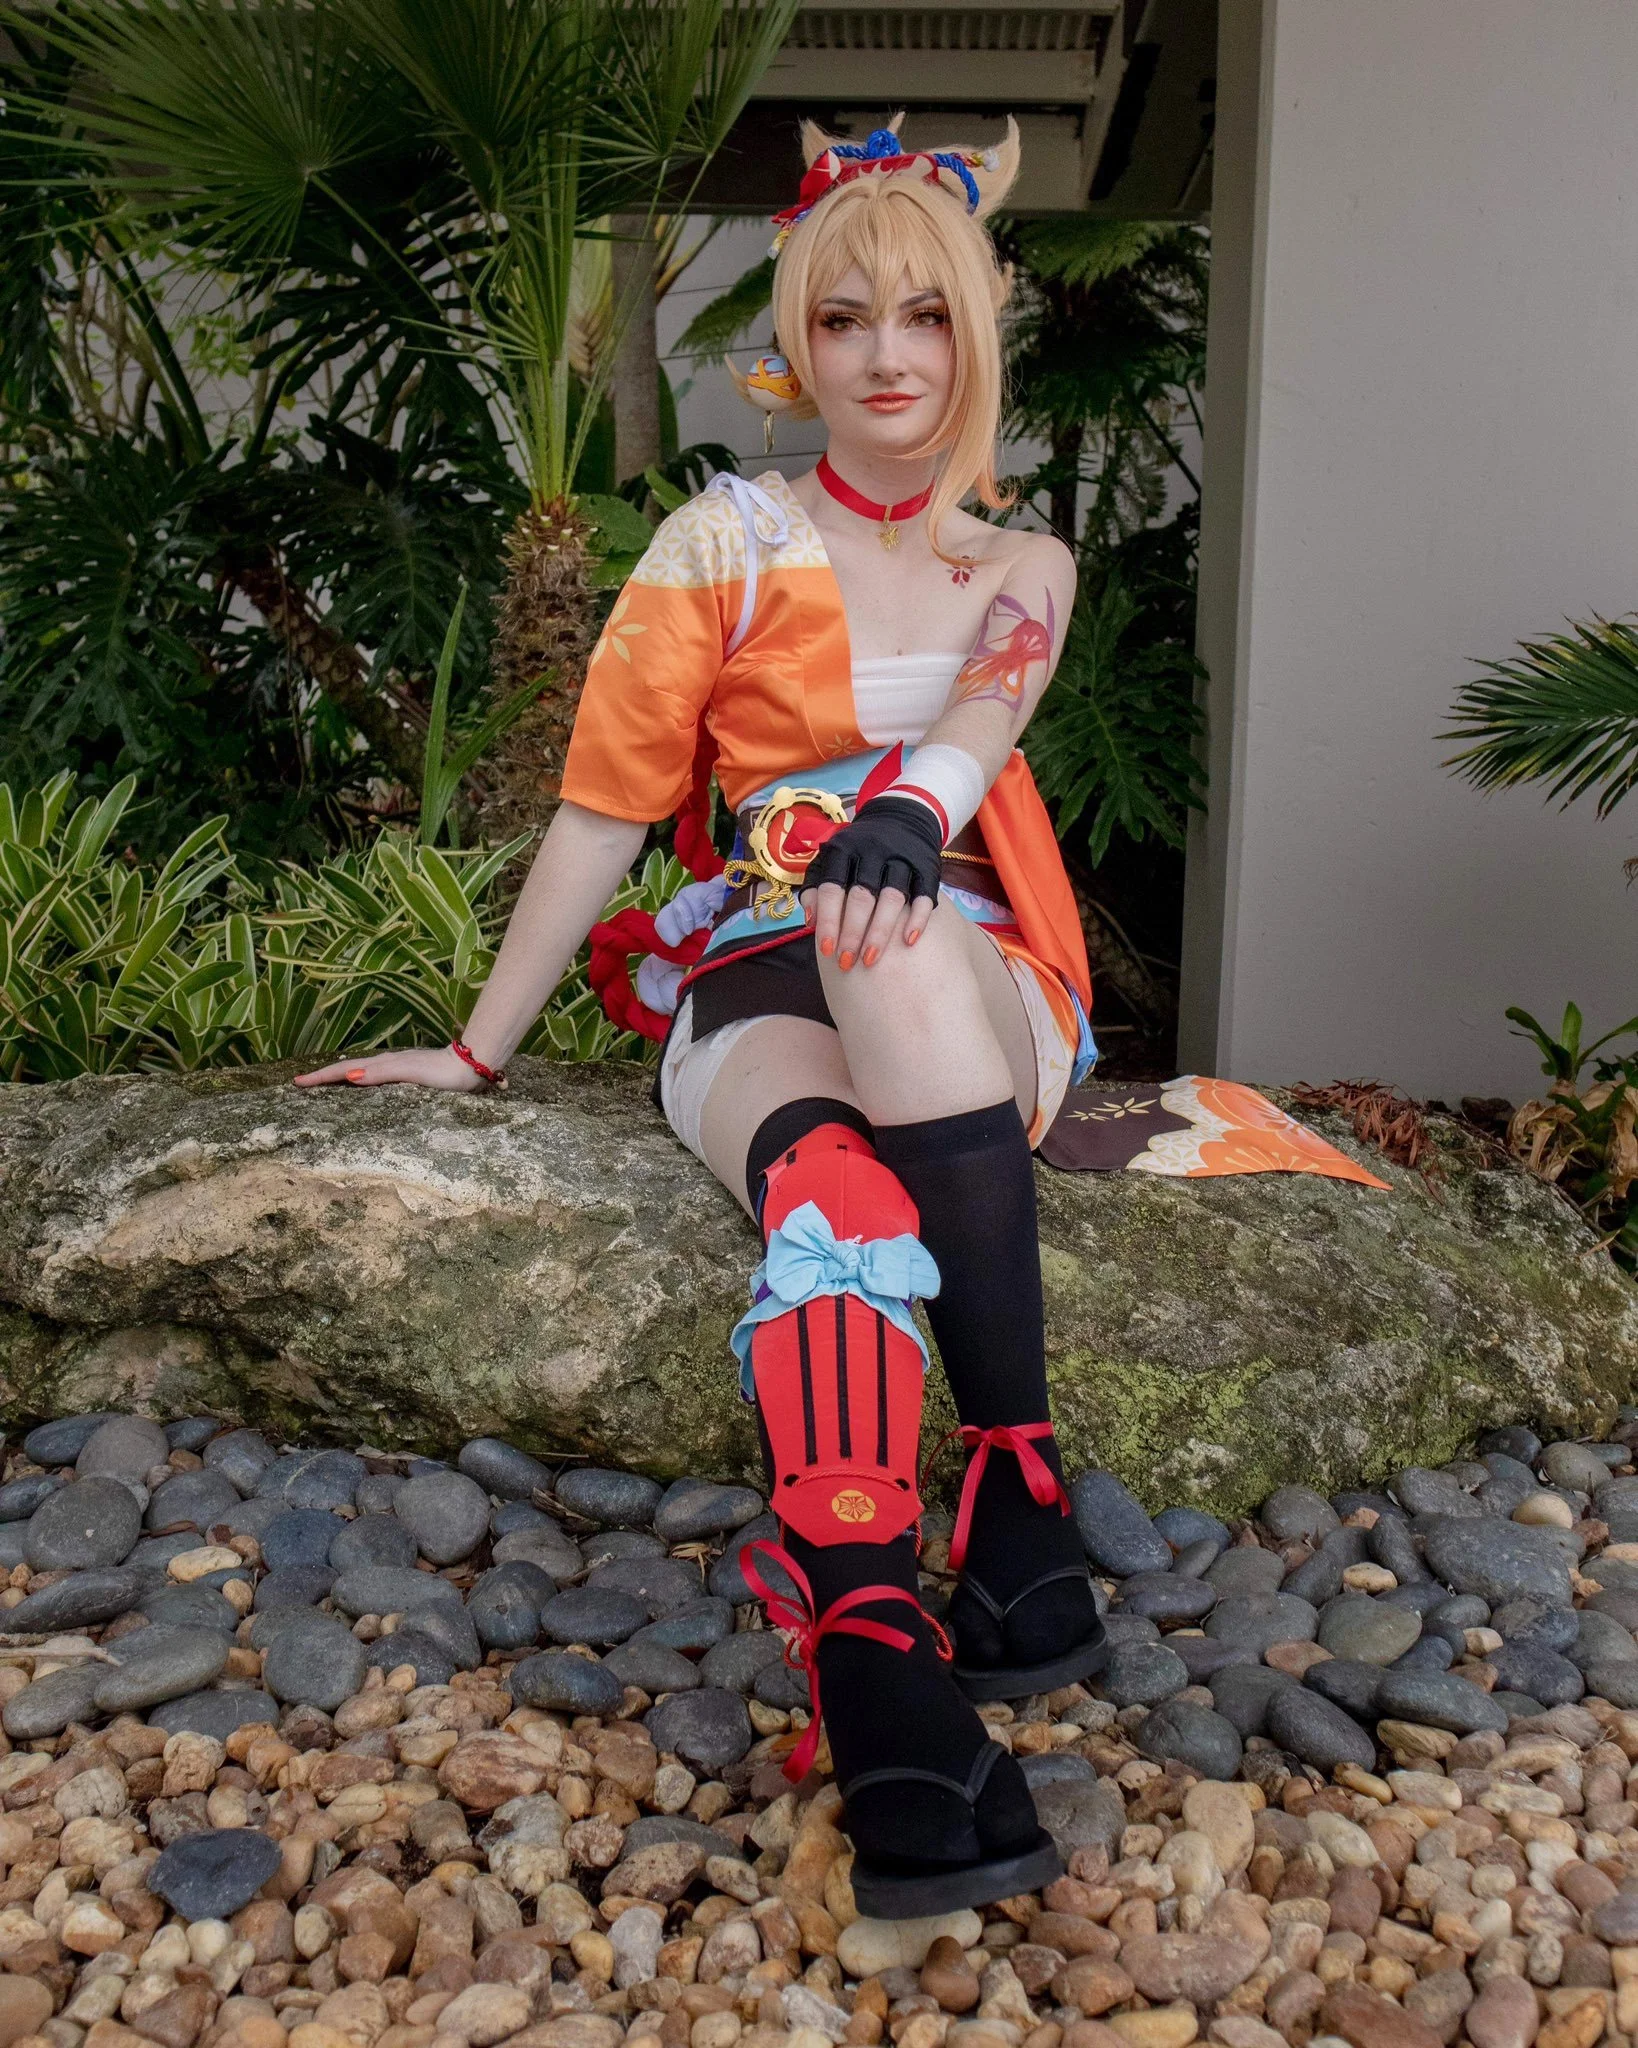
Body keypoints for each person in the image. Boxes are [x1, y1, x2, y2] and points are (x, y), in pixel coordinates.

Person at [297, 116, 1107, 1917]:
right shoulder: (719, 541)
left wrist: (900, 818)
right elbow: (602, 807)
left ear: (976, 334)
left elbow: (981, 718)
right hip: (752, 967)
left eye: (923, 315)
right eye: (841, 318)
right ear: (794, 341)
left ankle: (1017, 1477)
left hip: (973, 979)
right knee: (831, 1197)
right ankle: (871, 1634)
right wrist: (481, 1048)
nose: (886, 356)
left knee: (891, 930)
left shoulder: (1022, 563)